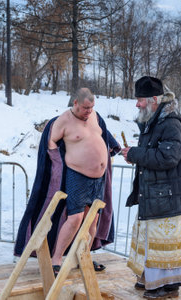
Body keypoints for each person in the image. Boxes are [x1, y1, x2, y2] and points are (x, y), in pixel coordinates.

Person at [14, 88, 120, 276]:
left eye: (92, 107)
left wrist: (114, 148)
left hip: (99, 179)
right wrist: (57, 166)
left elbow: (103, 134)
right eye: (86, 108)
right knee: (75, 219)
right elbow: (50, 143)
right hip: (77, 176)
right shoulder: (63, 120)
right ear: (76, 103)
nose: (89, 111)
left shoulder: (95, 116)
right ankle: (56, 259)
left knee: (92, 219)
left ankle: (83, 255)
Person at [121, 76, 181, 299]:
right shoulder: (153, 123)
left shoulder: (170, 124)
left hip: (167, 196)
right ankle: (155, 281)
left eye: (140, 100)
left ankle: (165, 285)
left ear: (154, 99)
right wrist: (135, 154)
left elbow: (168, 157)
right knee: (153, 242)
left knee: (163, 244)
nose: (137, 104)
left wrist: (135, 154)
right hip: (156, 194)